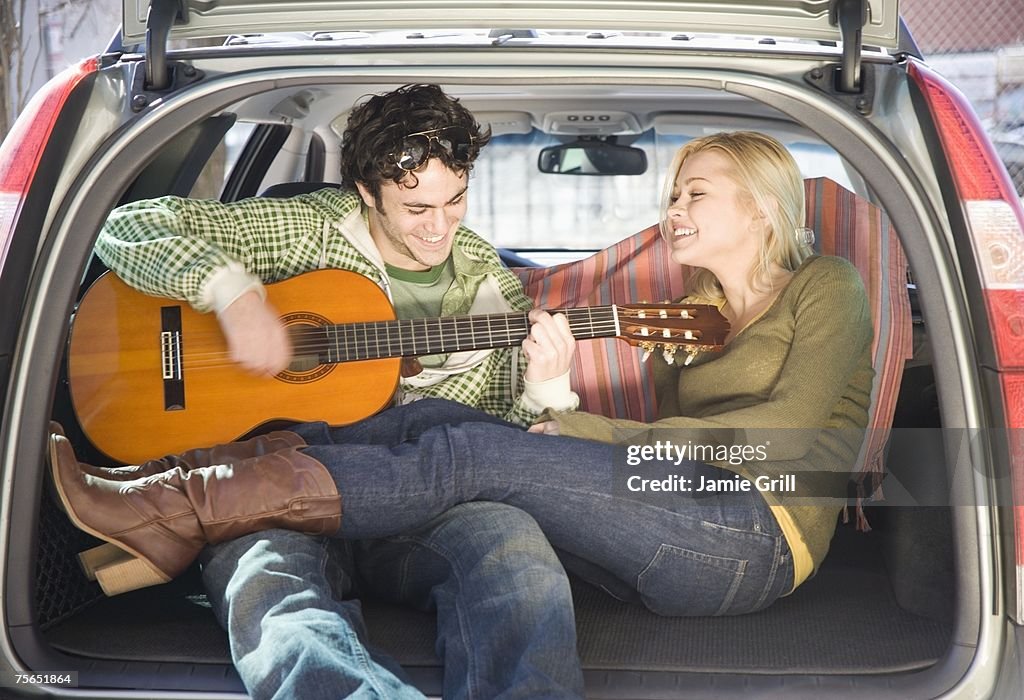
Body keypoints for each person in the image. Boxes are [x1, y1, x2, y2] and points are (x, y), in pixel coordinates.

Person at [54, 131, 875, 637]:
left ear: (765, 207)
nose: (673, 209)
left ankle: (178, 509)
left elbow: (787, 436)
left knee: (474, 455)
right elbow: (654, 470)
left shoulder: (827, 284)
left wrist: (580, 430)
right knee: (435, 415)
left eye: (695, 192)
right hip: (670, 529)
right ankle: (171, 484)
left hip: (755, 535)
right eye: (670, 194)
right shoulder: (690, 317)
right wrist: (554, 402)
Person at [79, 84, 585, 700]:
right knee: (271, 593)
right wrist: (232, 294)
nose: (440, 226)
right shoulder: (308, 231)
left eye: (454, 201)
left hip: (424, 509)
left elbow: (504, 445)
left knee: (520, 559)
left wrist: (546, 389)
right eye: (415, 207)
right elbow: (129, 223)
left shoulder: (488, 283)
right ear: (367, 193)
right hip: (272, 488)